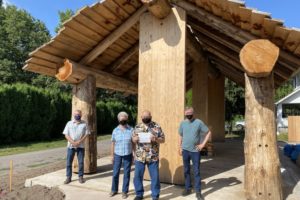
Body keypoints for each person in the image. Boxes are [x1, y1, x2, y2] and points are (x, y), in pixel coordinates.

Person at [178, 107, 211, 200]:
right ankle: (188, 188)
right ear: (185, 114)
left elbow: (208, 132)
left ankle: (198, 192)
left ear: (193, 113)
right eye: (186, 113)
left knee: (196, 171)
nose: (188, 115)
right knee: (186, 170)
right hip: (185, 150)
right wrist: (179, 147)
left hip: (195, 151)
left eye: (190, 113)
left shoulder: (199, 122)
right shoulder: (183, 123)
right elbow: (180, 135)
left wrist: (202, 145)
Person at [132, 110, 165, 200]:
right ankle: (139, 194)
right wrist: (134, 139)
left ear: (151, 116)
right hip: (140, 157)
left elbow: (163, 140)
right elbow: (133, 139)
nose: (146, 118)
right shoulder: (137, 126)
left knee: (155, 178)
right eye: (144, 117)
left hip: (153, 156)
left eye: (148, 116)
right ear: (141, 117)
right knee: (138, 177)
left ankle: (155, 196)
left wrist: (156, 138)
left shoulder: (156, 126)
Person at [110, 111, 134, 199]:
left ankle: (125, 191)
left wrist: (134, 154)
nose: (123, 119)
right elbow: (113, 143)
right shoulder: (115, 130)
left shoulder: (131, 129)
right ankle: (114, 190)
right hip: (117, 154)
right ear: (118, 119)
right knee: (115, 173)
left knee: (127, 173)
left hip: (128, 154)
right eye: (121, 118)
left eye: (124, 118)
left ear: (127, 119)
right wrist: (112, 155)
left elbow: (133, 143)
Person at [63, 110, 90, 184]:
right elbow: (66, 134)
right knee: (69, 162)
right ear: (73, 115)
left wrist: (79, 141)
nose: (77, 115)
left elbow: (87, 134)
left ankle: (80, 177)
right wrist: (72, 142)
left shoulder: (84, 124)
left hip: (80, 146)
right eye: (76, 114)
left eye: (79, 114)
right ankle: (68, 177)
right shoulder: (69, 123)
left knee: (81, 162)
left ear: (81, 115)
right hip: (70, 146)